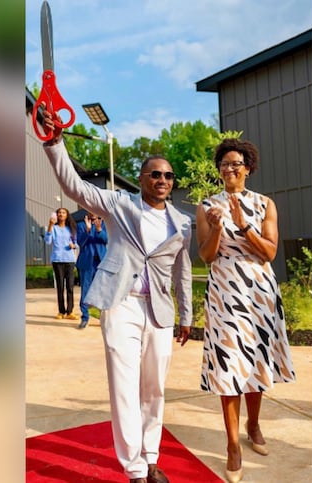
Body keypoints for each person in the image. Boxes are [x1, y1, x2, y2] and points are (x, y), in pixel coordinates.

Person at [41, 108, 192, 483]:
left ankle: (152, 457)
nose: (162, 179)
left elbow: (182, 271)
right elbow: (75, 186)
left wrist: (187, 315)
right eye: (155, 173)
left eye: (168, 175)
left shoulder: (183, 222)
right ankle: (135, 469)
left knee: (154, 387)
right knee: (124, 386)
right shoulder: (119, 204)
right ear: (141, 179)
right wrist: (55, 142)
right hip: (122, 304)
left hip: (159, 310)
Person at [196, 138, 296, 483]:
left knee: (254, 362)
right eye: (224, 164)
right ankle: (232, 446)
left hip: (258, 291)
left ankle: (253, 425)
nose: (229, 169)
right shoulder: (207, 205)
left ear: (248, 168)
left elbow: (269, 252)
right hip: (225, 289)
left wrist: (242, 223)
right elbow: (206, 256)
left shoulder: (265, 204)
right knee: (229, 365)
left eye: (236, 163)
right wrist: (220, 226)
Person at [44, 207, 79, 321]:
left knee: (70, 287)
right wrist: (50, 225)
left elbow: (76, 243)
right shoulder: (53, 228)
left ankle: (70, 312)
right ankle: (61, 311)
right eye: (59, 213)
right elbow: (48, 241)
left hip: (69, 260)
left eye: (63, 213)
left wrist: (74, 246)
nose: (61, 214)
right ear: (56, 215)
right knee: (60, 287)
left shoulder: (71, 229)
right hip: (57, 260)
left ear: (67, 215)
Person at [76, 212, 108, 329]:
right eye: (91, 210)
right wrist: (88, 231)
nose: (93, 212)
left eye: (96, 210)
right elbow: (80, 242)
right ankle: (85, 317)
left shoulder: (104, 223)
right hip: (87, 262)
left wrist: (99, 230)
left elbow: (106, 240)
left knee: (102, 290)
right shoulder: (81, 225)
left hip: (101, 262)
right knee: (85, 290)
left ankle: (103, 318)